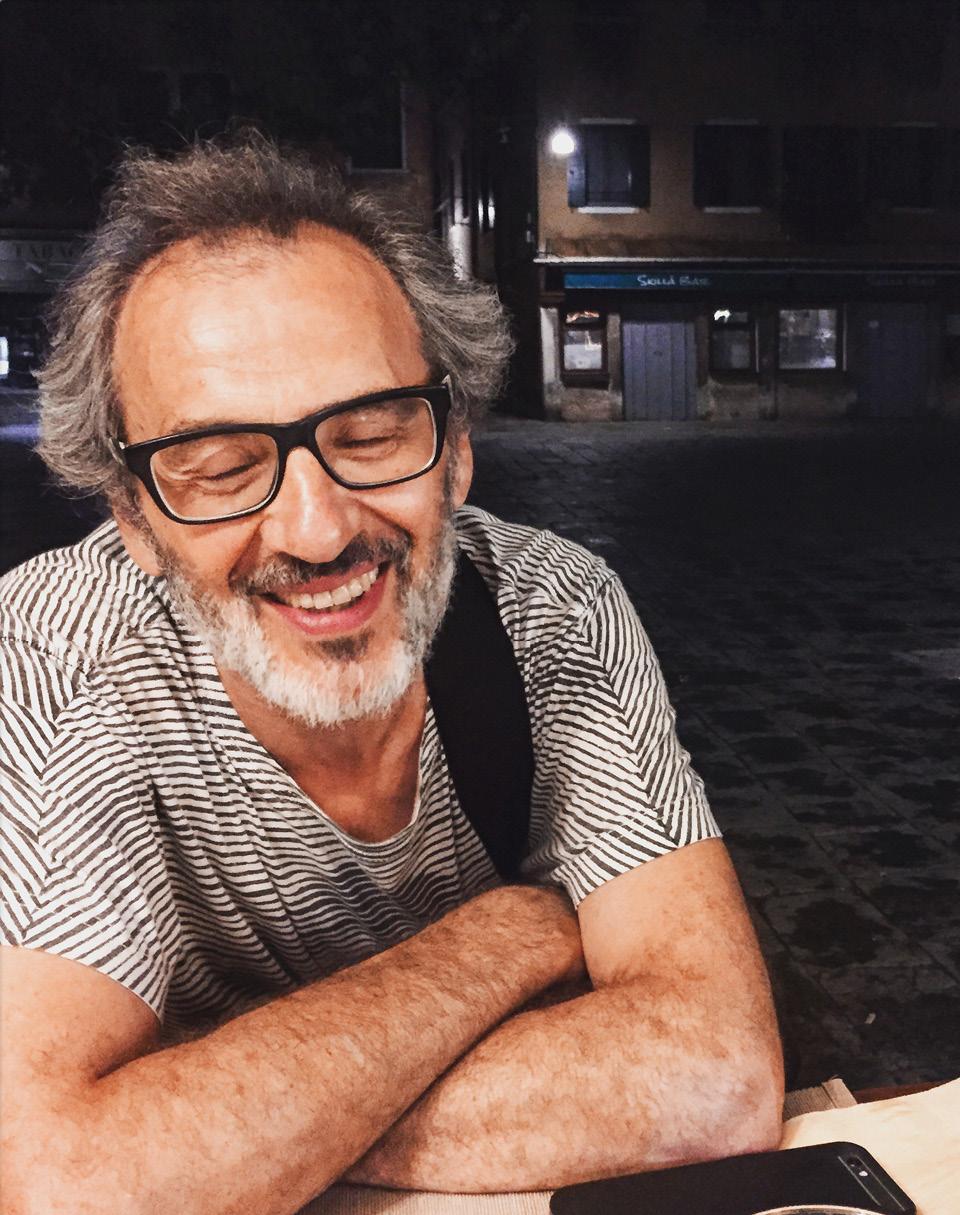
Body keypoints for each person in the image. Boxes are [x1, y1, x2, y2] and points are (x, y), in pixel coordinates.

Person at [0, 136, 783, 1215]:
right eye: (220, 467)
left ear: (454, 450)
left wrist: (216, 1120)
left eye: (370, 434)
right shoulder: (55, 651)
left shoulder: (556, 613)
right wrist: (506, 937)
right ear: (135, 518)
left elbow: (715, 1074)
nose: (318, 531)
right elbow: (56, 1173)